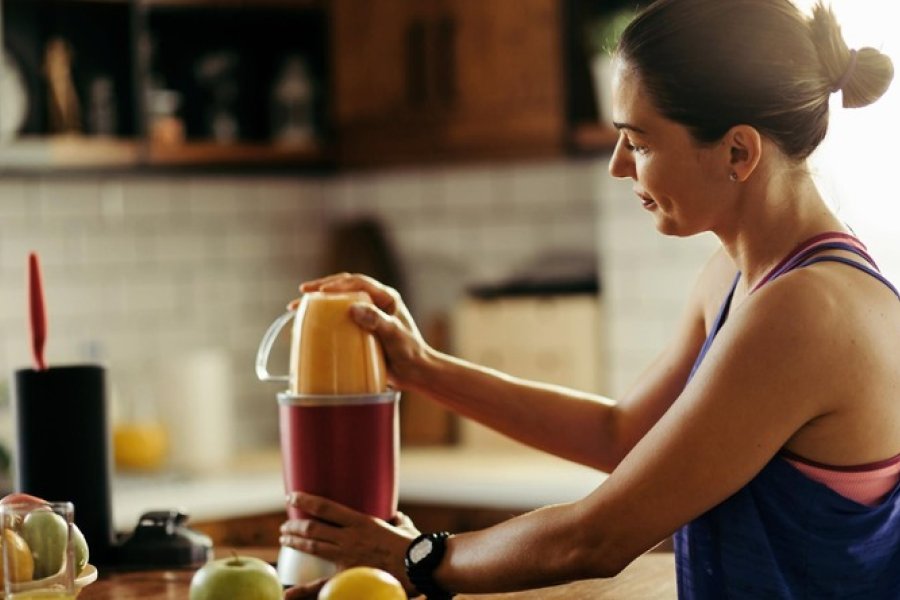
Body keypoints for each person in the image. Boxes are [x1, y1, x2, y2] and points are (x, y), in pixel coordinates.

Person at [281, 0, 899, 597]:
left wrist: (414, 560)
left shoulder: (805, 311)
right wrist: (422, 368)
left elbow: (599, 537)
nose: (618, 166)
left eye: (640, 141)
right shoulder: (738, 276)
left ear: (739, 151)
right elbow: (622, 435)